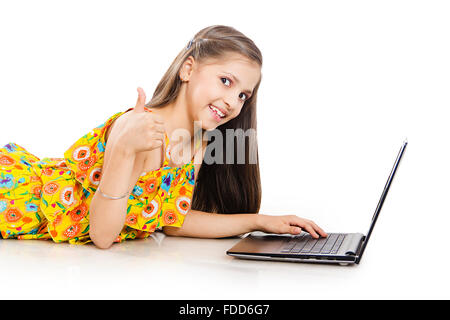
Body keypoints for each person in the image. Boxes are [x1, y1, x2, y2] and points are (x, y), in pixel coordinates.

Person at [0, 25, 327, 249]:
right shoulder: (140, 129)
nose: (232, 102)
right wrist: (123, 151)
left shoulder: (199, 143)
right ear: (187, 70)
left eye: (243, 95)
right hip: (15, 197)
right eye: (226, 81)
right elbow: (102, 234)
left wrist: (260, 222)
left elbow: (172, 220)